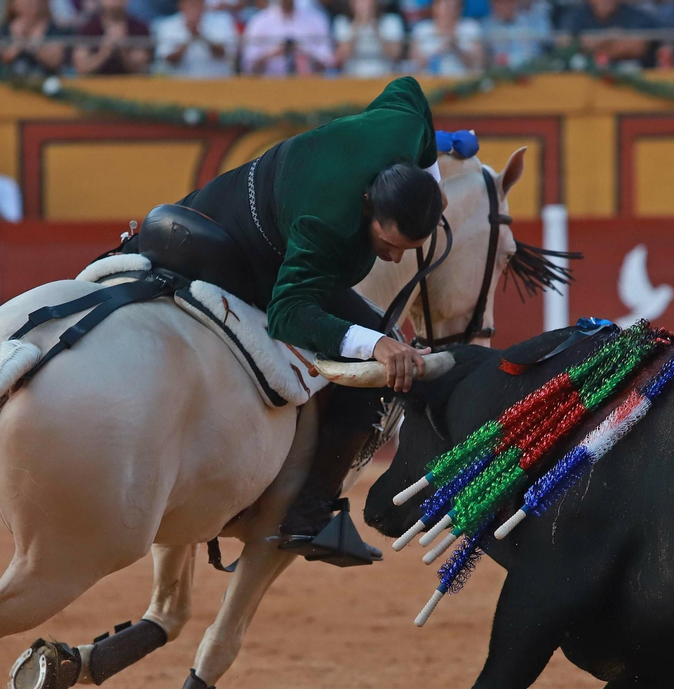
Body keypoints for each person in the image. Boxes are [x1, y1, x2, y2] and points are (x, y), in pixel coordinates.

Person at [130, 76, 443, 559]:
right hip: (241, 246)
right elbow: (288, 313)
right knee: (379, 358)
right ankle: (308, 516)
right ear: (366, 209)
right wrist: (376, 345)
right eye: (388, 245)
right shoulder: (326, 225)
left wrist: (431, 175)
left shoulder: (399, 131)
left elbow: (409, 91)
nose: (396, 260)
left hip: (225, 194)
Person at [241, 0, 332, 75]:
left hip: (309, 85)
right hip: (268, 86)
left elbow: (328, 62)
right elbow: (248, 65)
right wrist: (272, 54)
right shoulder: (259, 22)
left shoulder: (316, 20)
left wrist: (303, 53)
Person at [154, 0, 238, 78]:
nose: (194, 7)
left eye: (197, 3)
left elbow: (226, 53)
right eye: (190, 4)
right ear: (181, 5)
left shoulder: (222, 21)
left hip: (217, 83)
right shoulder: (167, 25)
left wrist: (201, 35)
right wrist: (189, 38)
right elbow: (167, 59)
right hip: (179, 84)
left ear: (204, 4)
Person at [564, 0, 657, 65]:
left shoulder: (635, 15)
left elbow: (638, 47)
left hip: (627, 74)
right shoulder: (577, 15)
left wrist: (588, 48)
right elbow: (563, 43)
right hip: (583, 72)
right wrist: (606, 37)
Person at [75, 0, 153, 75]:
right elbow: (81, 68)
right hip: (94, 84)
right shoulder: (88, 28)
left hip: (133, 85)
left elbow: (141, 68)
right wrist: (104, 52)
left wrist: (123, 49)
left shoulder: (140, 28)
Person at [332, 0, 404, 78]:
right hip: (352, 77)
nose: (364, 5)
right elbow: (342, 57)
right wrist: (356, 25)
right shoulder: (342, 22)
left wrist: (375, 27)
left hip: (383, 76)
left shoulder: (391, 21)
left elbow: (394, 55)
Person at [410, 0, 485, 73]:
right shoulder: (422, 29)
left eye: (455, 6)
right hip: (429, 80)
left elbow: (478, 64)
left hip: (464, 80)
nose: (450, 11)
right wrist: (440, 50)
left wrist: (456, 49)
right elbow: (416, 65)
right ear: (435, 7)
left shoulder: (471, 28)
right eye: (446, 6)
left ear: (461, 8)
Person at [0, 0, 67, 79]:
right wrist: (19, 42)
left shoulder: (53, 29)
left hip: (44, 82)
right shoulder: (2, 30)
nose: (30, 2)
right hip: (7, 85)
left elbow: (55, 60)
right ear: (12, 3)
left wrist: (33, 45)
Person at [482, 0, 552, 68]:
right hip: (501, 72)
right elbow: (486, 57)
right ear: (492, 4)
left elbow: (547, 43)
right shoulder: (485, 27)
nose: (504, 5)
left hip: (533, 69)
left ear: (516, 2)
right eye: (499, 1)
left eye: (509, 1)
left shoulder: (532, 21)